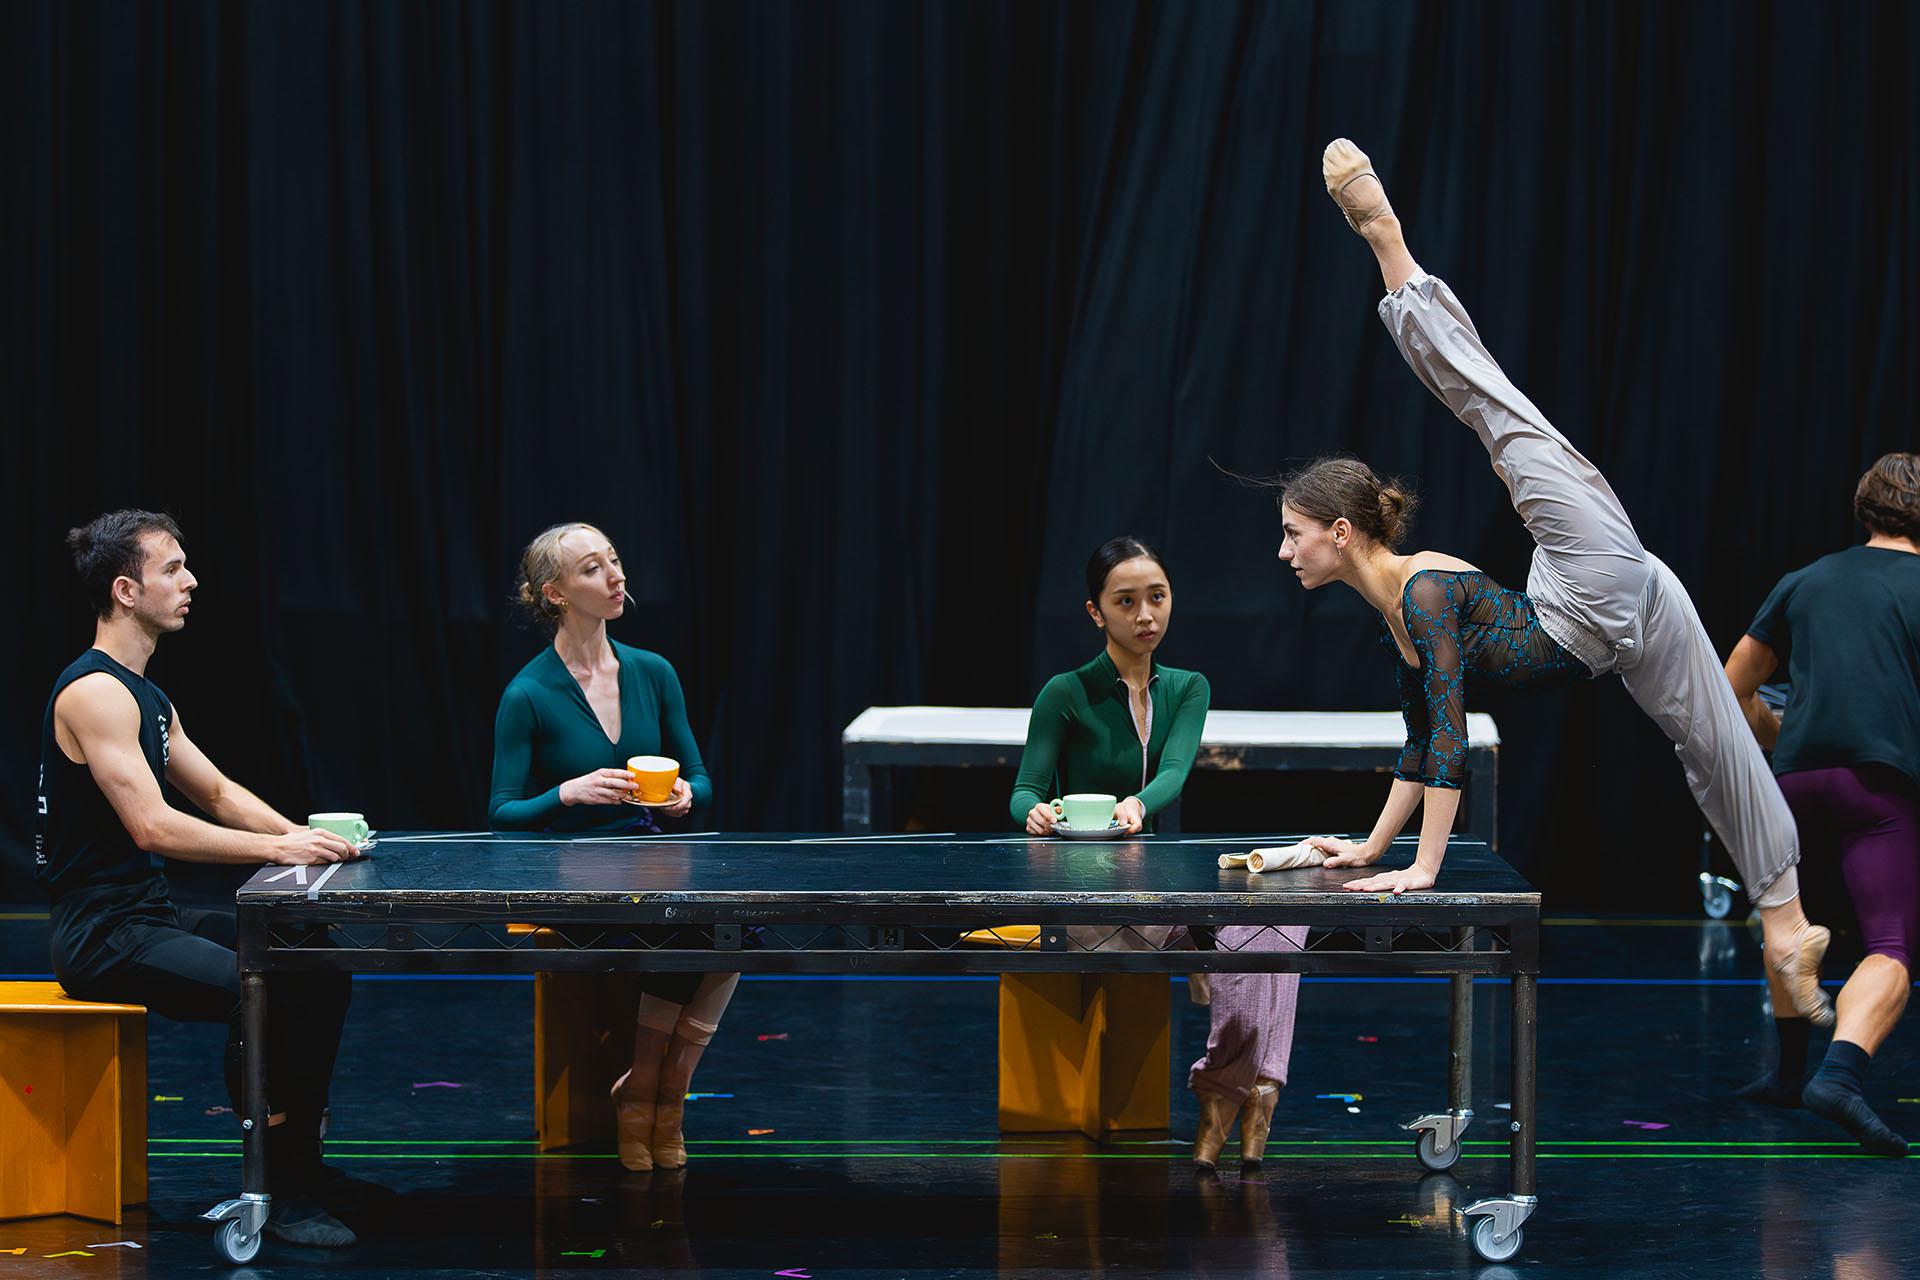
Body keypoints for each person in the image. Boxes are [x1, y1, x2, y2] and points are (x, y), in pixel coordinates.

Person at [1296, 138, 1833, 1025]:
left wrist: (1425, 868)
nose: (1285, 554)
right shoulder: (1403, 609)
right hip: (1618, 615)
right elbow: (1424, 743)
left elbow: (1451, 745)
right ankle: (1789, 922)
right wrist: (1371, 847)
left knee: (1502, 419)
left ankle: (1387, 242)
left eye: (1293, 535)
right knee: (1714, 751)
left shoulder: (1423, 596)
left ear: (1340, 533)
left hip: (1591, 589)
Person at [38, 511, 363, 1247]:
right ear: (126, 589)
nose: (192, 581)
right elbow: (153, 826)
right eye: (173, 569)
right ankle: (271, 1187)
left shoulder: (148, 695)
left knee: (319, 966)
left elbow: (215, 794)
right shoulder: (94, 693)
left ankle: (303, 1165)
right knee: (258, 991)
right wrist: (285, 848)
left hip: (147, 915)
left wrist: (303, 839)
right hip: (101, 934)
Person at [1008, 537, 1306, 1169]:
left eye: (1157, 598)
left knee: (1277, 921)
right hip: (1085, 897)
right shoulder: (1065, 692)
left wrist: (1141, 803)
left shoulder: (1187, 687)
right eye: (1126, 602)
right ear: (1096, 613)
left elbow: (1174, 772)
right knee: (1248, 941)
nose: (1145, 615)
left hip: (1158, 893)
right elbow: (1025, 790)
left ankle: (1246, 1091)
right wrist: (1033, 812)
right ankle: (1238, 1095)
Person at [488, 521, 730, 1172]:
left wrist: (686, 796)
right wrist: (567, 793)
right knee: (686, 928)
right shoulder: (529, 693)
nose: (616, 576)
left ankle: (655, 1088)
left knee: (735, 921)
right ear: (556, 593)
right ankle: (652, 1094)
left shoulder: (653, 672)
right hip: (580, 875)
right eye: (594, 568)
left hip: (655, 862)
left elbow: (701, 778)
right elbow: (502, 811)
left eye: (615, 560)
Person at [1725, 452, 1920, 1155]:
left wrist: (1777, 738)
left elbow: (1732, 686)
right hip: (1880, 786)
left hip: (1797, 782)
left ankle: (1785, 1073)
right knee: (1892, 945)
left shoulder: (1805, 581)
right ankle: (1838, 1077)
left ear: (1864, 509)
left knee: (1794, 923)